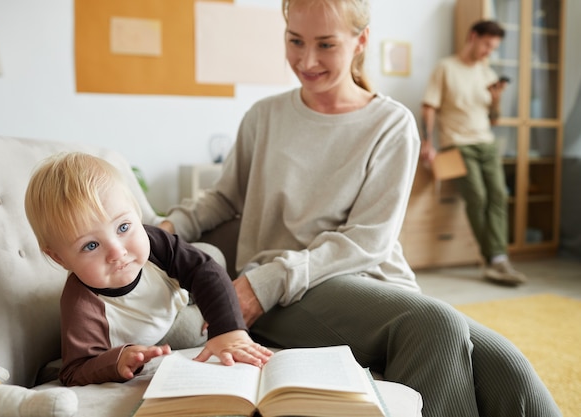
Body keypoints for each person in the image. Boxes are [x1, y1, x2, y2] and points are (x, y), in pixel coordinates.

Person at [160, 1, 562, 416]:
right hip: (288, 292)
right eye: (295, 40)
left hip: (367, 277)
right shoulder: (264, 117)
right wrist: (161, 230)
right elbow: (223, 199)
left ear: (360, 41)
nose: (307, 59)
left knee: (508, 368)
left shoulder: (391, 124)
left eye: (326, 44)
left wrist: (265, 283)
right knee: (435, 325)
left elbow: (367, 240)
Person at [24, 152, 272, 386]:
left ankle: (214, 301)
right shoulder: (81, 303)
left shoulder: (153, 240)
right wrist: (118, 360)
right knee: (189, 329)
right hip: (161, 334)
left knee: (210, 257)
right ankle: (212, 304)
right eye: (91, 245)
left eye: (123, 228)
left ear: (137, 213)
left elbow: (203, 268)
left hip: (175, 296)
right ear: (59, 259)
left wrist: (228, 330)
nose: (117, 252)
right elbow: (75, 369)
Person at [421, 20, 526, 286]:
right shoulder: (446, 68)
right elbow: (429, 106)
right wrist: (427, 142)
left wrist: (497, 99)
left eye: (494, 48)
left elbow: (494, 120)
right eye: (487, 45)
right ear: (473, 36)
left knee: (499, 196)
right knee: (477, 197)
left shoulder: (487, 72)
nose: (489, 52)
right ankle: (495, 260)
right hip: (457, 144)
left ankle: (498, 260)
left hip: (486, 143)